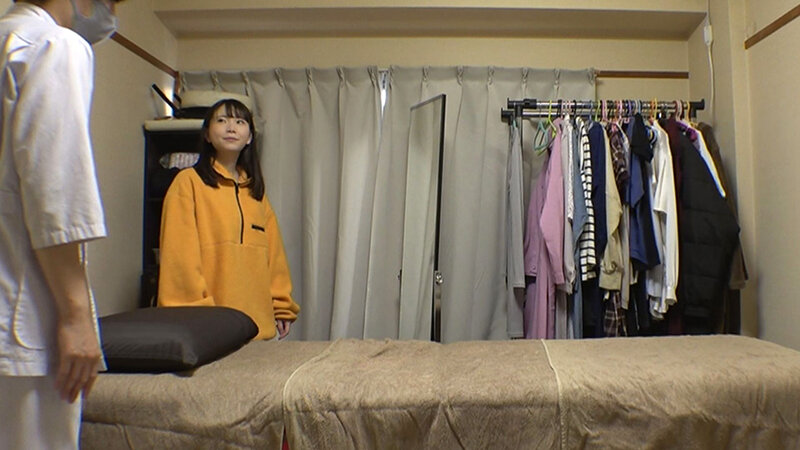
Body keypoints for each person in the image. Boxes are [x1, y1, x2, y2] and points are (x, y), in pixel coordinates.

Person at [0, 0, 123, 448]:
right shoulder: (54, 44)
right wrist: (76, 317)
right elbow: (55, 193)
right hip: (21, 318)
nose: (110, 15)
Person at [158, 99, 300, 340]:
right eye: (222, 120)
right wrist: (193, 313)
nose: (231, 127)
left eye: (240, 122)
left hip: (258, 328)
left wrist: (281, 305)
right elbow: (178, 256)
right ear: (207, 134)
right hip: (206, 327)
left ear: (249, 137)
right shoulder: (188, 183)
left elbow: (274, 256)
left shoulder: (256, 193)